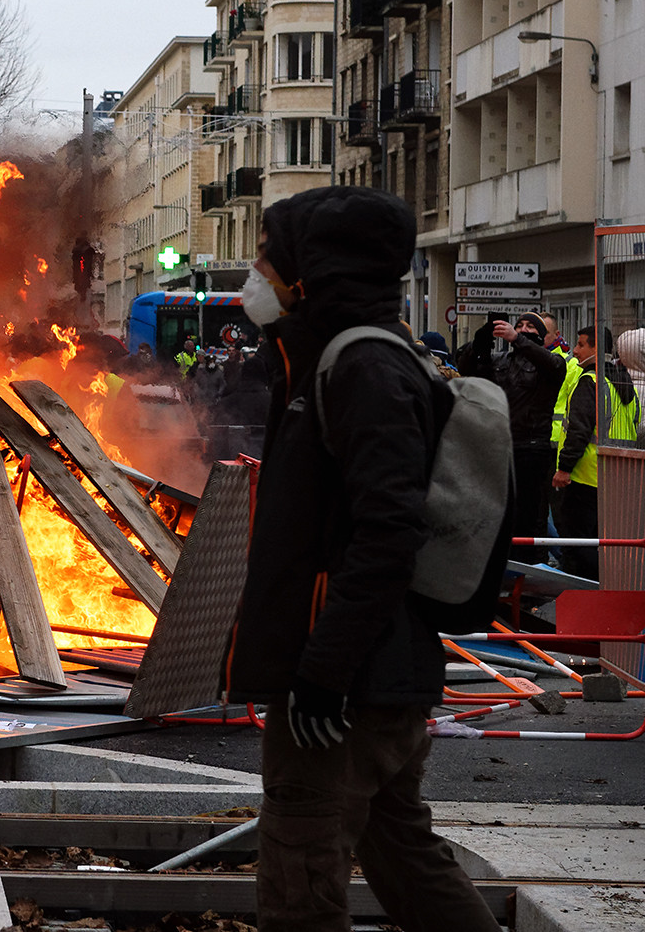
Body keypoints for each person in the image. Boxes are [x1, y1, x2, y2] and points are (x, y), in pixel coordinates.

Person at [224, 186, 501, 932]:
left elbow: (387, 535)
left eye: (268, 257)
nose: (256, 273)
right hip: (371, 673)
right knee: (405, 856)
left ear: (314, 270)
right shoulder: (336, 357)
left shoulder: (363, 367)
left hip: (347, 685)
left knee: (300, 881)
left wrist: (323, 674)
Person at [456, 312, 565, 564]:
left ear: (541, 335)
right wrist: (479, 343)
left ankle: (529, 567)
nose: (523, 329)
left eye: (530, 327)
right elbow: (468, 369)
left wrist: (517, 338)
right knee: (498, 512)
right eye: (519, 325)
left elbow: (551, 364)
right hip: (499, 446)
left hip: (531, 448)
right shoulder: (501, 360)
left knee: (530, 516)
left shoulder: (551, 363)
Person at [553, 325, 639, 578]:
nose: (575, 351)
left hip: (585, 477)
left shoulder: (590, 382)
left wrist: (564, 468)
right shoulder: (624, 384)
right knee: (607, 542)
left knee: (578, 543)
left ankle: (584, 588)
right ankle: (609, 584)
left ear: (596, 349)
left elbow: (578, 431)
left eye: (581, 345)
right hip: (618, 476)